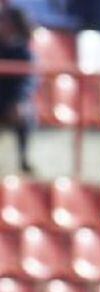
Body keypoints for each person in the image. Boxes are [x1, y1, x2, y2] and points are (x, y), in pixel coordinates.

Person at [0, 7, 35, 174]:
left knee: (24, 113)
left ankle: (24, 159)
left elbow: (28, 81)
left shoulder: (23, 51)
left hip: (11, 101)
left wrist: (19, 101)